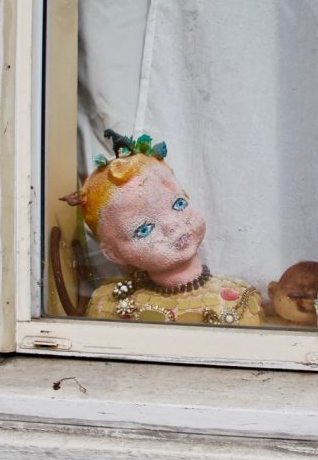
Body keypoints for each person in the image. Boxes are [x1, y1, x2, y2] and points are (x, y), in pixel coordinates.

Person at [61, 131, 264, 326]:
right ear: (113, 253)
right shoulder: (108, 304)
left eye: (179, 204)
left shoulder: (241, 301)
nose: (171, 225)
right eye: (144, 229)